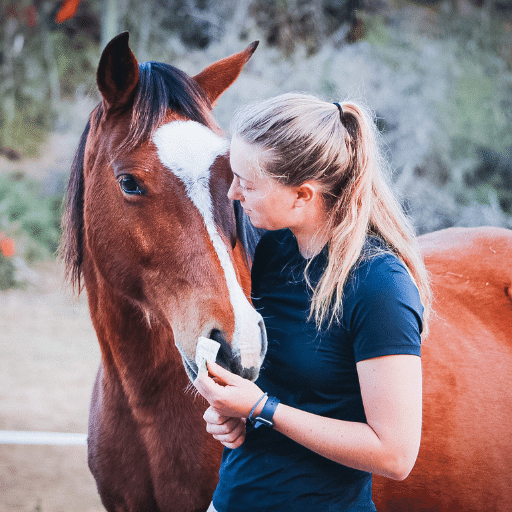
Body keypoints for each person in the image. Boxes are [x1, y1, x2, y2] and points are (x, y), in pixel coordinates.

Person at [194, 92, 431, 512]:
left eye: (247, 183)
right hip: (231, 501)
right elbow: (279, 389)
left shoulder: (379, 286)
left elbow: (395, 455)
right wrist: (233, 415)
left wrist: (263, 408)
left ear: (302, 195)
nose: (232, 193)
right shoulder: (271, 250)